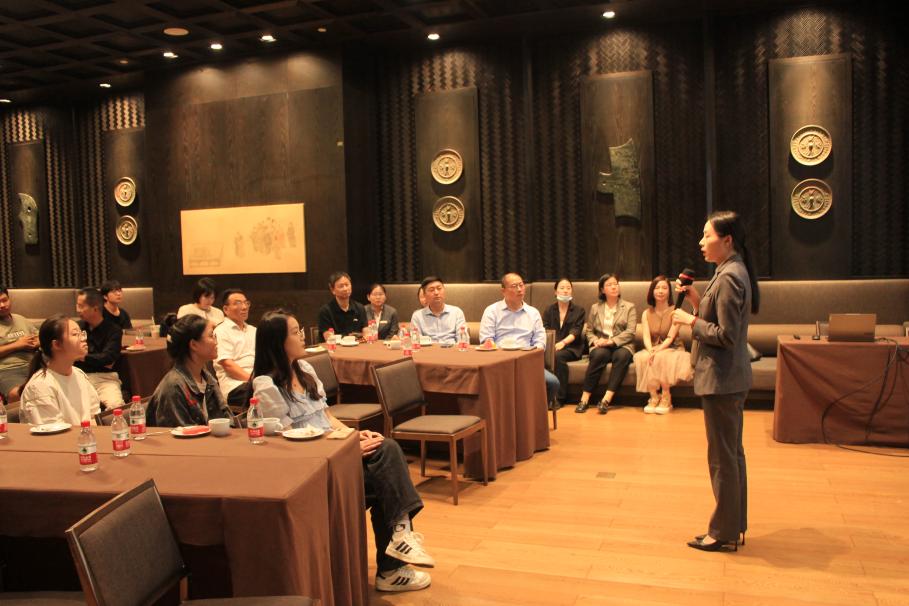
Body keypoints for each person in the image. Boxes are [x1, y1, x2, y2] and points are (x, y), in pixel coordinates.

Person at [251, 309, 435, 592]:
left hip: (335, 454)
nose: (302, 336)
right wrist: (346, 448)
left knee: (385, 454)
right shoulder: (266, 386)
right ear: (278, 342)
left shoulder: (305, 369)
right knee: (387, 467)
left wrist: (352, 436)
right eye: (295, 332)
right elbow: (288, 441)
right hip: (312, 470)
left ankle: (398, 544)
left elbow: (326, 417)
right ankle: (394, 557)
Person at [672, 210, 759, 552]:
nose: (701, 242)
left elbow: (726, 335)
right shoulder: (730, 271)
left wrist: (689, 321)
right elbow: (721, 319)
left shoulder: (729, 277)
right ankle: (733, 526)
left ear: (727, 240)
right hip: (728, 379)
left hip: (722, 380)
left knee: (723, 458)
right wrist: (696, 301)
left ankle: (722, 531)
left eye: (707, 235)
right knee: (731, 454)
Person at [479, 272, 560, 404]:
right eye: (514, 286)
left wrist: (531, 356)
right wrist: (497, 352)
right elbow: (486, 339)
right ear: (503, 291)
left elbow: (540, 341)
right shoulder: (492, 311)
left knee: (553, 383)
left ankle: (533, 413)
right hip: (499, 364)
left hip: (526, 363)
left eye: (521, 285)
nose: (519, 289)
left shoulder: (533, 313)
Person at [147, 314, 230, 427]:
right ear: (194, 345)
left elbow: (226, 417)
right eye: (211, 336)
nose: (216, 341)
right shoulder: (174, 387)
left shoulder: (206, 377)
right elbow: (181, 434)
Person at [20, 314, 101, 426]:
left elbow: (95, 416)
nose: (83, 338)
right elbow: (52, 432)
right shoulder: (40, 386)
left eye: (82, 333)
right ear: (57, 344)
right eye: (75, 334)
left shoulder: (79, 374)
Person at [576, 273, 636, 415]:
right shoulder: (595, 308)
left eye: (616, 284)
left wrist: (611, 341)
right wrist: (595, 341)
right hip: (601, 345)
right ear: (602, 290)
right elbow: (589, 330)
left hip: (622, 344)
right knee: (598, 355)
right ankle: (584, 399)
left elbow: (631, 332)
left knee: (622, 356)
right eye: (609, 285)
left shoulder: (629, 307)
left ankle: (606, 400)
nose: (614, 287)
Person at [633, 275, 693, 414]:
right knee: (643, 357)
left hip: (673, 348)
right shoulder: (646, 313)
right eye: (657, 288)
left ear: (669, 292)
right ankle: (654, 396)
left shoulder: (676, 311)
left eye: (664, 288)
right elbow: (646, 336)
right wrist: (650, 350)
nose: (660, 291)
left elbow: (670, 337)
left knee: (661, 357)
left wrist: (657, 350)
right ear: (652, 291)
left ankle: (666, 396)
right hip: (653, 348)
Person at [74, 287, 125, 408]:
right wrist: (94, 359)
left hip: (105, 379)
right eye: (77, 305)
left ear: (95, 309)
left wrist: (82, 357)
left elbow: (108, 358)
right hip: (78, 377)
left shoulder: (113, 330)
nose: (77, 310)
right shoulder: (76, 327)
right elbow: (69, 354)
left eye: (81, 306)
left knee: (116, 406)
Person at [542, 278, 586, 409]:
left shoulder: (579, 310)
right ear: (555, 291)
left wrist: (563, 343)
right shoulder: (549, 310)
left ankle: (559, 398)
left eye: (568, 288)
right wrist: (553, 344)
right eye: (562, 288)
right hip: (553, 346)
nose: (565, 290)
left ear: (572, 291)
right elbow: (545, 329)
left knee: (558, 356)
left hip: (572, 347)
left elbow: (576, 331)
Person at [213, 289, 256, 408]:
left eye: (246, 303)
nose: (244, 307)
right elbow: (228, 365)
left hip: (256, 381)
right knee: (268, 392)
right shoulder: (221, 331)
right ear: (226, 309)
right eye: (238, 303)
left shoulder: (254, 330)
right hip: (235, 386)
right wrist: (255, 381)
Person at [0, 287, 39, 399]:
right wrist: (17, 345)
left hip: (33, 365)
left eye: (4, 300)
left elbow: (39, 337)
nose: (2, 305)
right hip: (7, 370)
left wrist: (37, 343)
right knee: (17, 394)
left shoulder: (20, 319)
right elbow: (19, 344)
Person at [410, 276, 466, 345]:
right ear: (424, 295)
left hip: (452, 349)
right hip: (428, 350)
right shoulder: (417, 316)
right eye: (431, 290)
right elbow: (416, 342)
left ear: (444, 290)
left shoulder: (457, 312)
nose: (436, 292)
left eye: (439, 288)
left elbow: (463, 340)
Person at [317, 272, 367, 340]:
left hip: (357, 345)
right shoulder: (325, 311)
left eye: (347, 285)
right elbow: (329, 338)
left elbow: (366, 332)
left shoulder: (360, 308)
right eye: (341, 286)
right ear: (332, 290)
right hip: (335, 346)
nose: (345, 289)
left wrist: (366, 334)